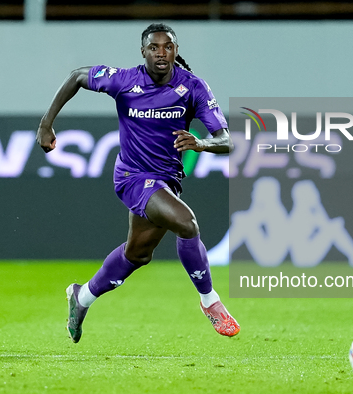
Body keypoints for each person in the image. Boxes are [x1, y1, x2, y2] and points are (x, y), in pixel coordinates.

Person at [36, 23, 240, 343]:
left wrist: (202, 145)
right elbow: (77, 75)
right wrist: (46, 124)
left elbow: (227, 140)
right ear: (143, 51)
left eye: (168, 46)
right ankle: (209, 301)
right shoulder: (124, 80)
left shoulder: (193, 87)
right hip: (132, 176)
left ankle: (82, 297)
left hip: (165, 180)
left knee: (137, 255)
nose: (162, 53)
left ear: (176, 50)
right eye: (154, 47)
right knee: (186, 224)